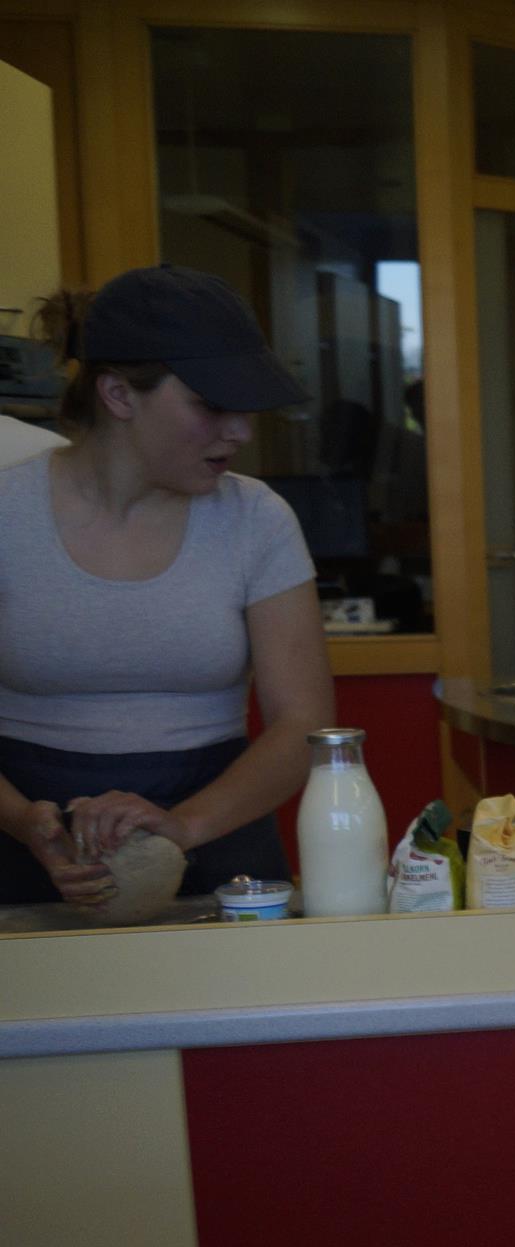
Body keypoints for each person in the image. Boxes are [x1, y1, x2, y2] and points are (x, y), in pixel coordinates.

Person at [0, 266, 332, 906]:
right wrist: (21, 821)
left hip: (220, 835)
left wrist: (183, 826)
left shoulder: (256, 519)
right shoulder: (6, 514)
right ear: (119, 395)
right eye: (212, 405)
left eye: (245, 408)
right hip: (26, 846)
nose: (241, 431)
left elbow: (304, 724)